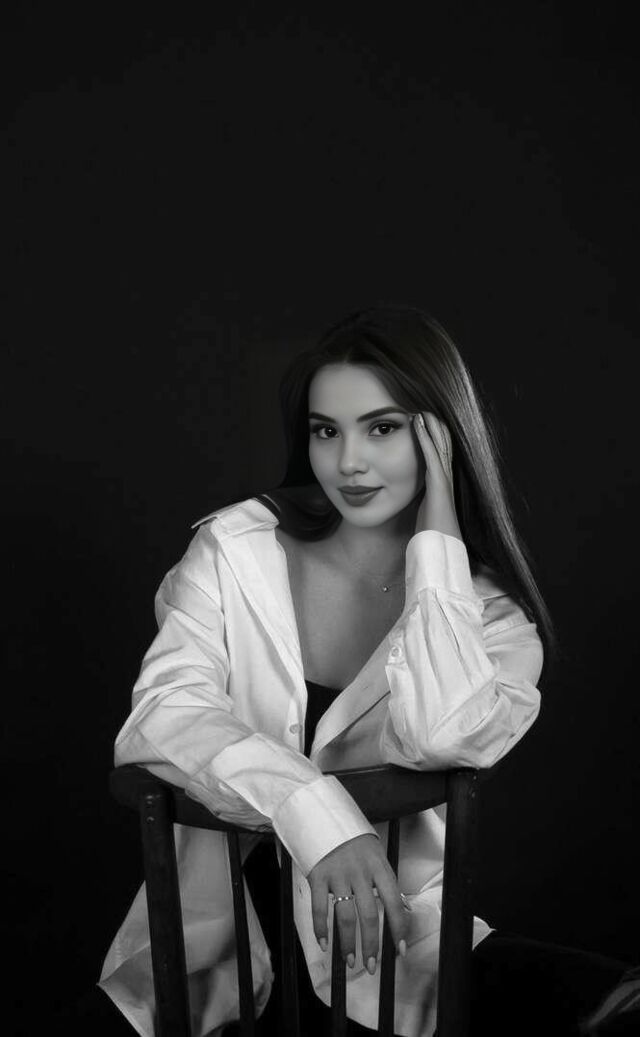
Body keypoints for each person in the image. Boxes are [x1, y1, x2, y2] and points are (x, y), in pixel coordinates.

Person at [89, 306, 637, 1036]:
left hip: (397, 955)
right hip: (224, 960)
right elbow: (164, 714)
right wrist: (317, 815)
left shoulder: (491, 620)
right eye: (326, 430)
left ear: (443, 436)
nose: (348, 461)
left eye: (383, 428)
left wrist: (437, 545)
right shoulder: (234, 549)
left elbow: (441, 735)